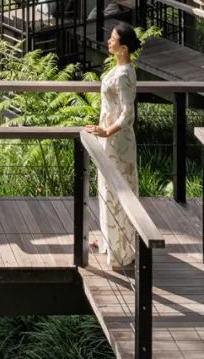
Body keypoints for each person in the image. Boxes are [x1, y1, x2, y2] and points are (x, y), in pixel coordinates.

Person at [84, 20, 139, 271]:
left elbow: (128, 114)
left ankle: (122, 252)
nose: (109, 41)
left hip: (118, 142)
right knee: (107, 190)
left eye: (113, 38)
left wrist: (106, 130)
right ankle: (110, 242)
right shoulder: (119, 68)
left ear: (124, 47)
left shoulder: (126, 74)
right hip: (109, 141)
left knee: (118, 194)